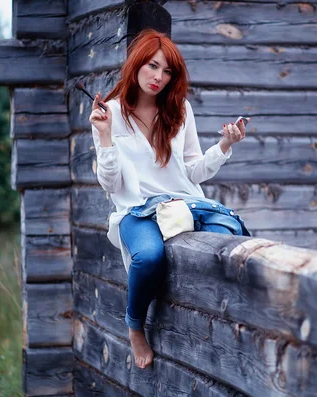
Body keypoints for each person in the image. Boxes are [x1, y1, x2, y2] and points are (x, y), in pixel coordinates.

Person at [88, 29, 247, 370]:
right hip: (137, 211)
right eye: (152, 66)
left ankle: (227, 325)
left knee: (234, 242)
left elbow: (192, 172)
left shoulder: (180, 109)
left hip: (186, 205)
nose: (159, 77)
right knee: (148, 256)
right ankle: (135, 326)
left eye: (167, 71)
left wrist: (224, 147)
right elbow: (110, 183)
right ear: (136, 65)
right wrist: (104, 137)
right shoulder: (109, 114)